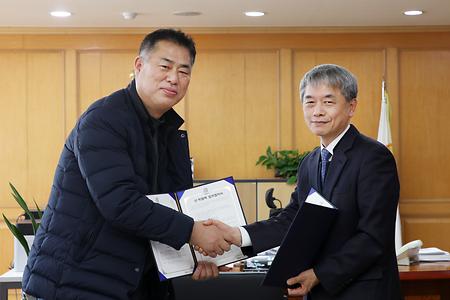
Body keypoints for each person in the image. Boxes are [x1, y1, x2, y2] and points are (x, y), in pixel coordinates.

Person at [22, 28, 230, 300]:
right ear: (139, 65)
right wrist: (192, 233)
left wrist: (193, 256)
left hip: (131, 283)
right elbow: (119, 202)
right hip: (75, 282)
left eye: (184, 71)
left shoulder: (169, 133)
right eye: (165, 66)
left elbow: (174, 205)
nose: (173, 78)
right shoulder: (103, 119)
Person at [203, 64, 401, 299]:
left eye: (328, 102)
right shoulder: (310, 162)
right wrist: (239, 235)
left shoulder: (373, 157)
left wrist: (319, 274)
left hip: (364, 290)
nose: (317, 111)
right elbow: (293, 218)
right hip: (320, 291)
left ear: (351, 106)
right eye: (310, 102)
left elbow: (373, 236)